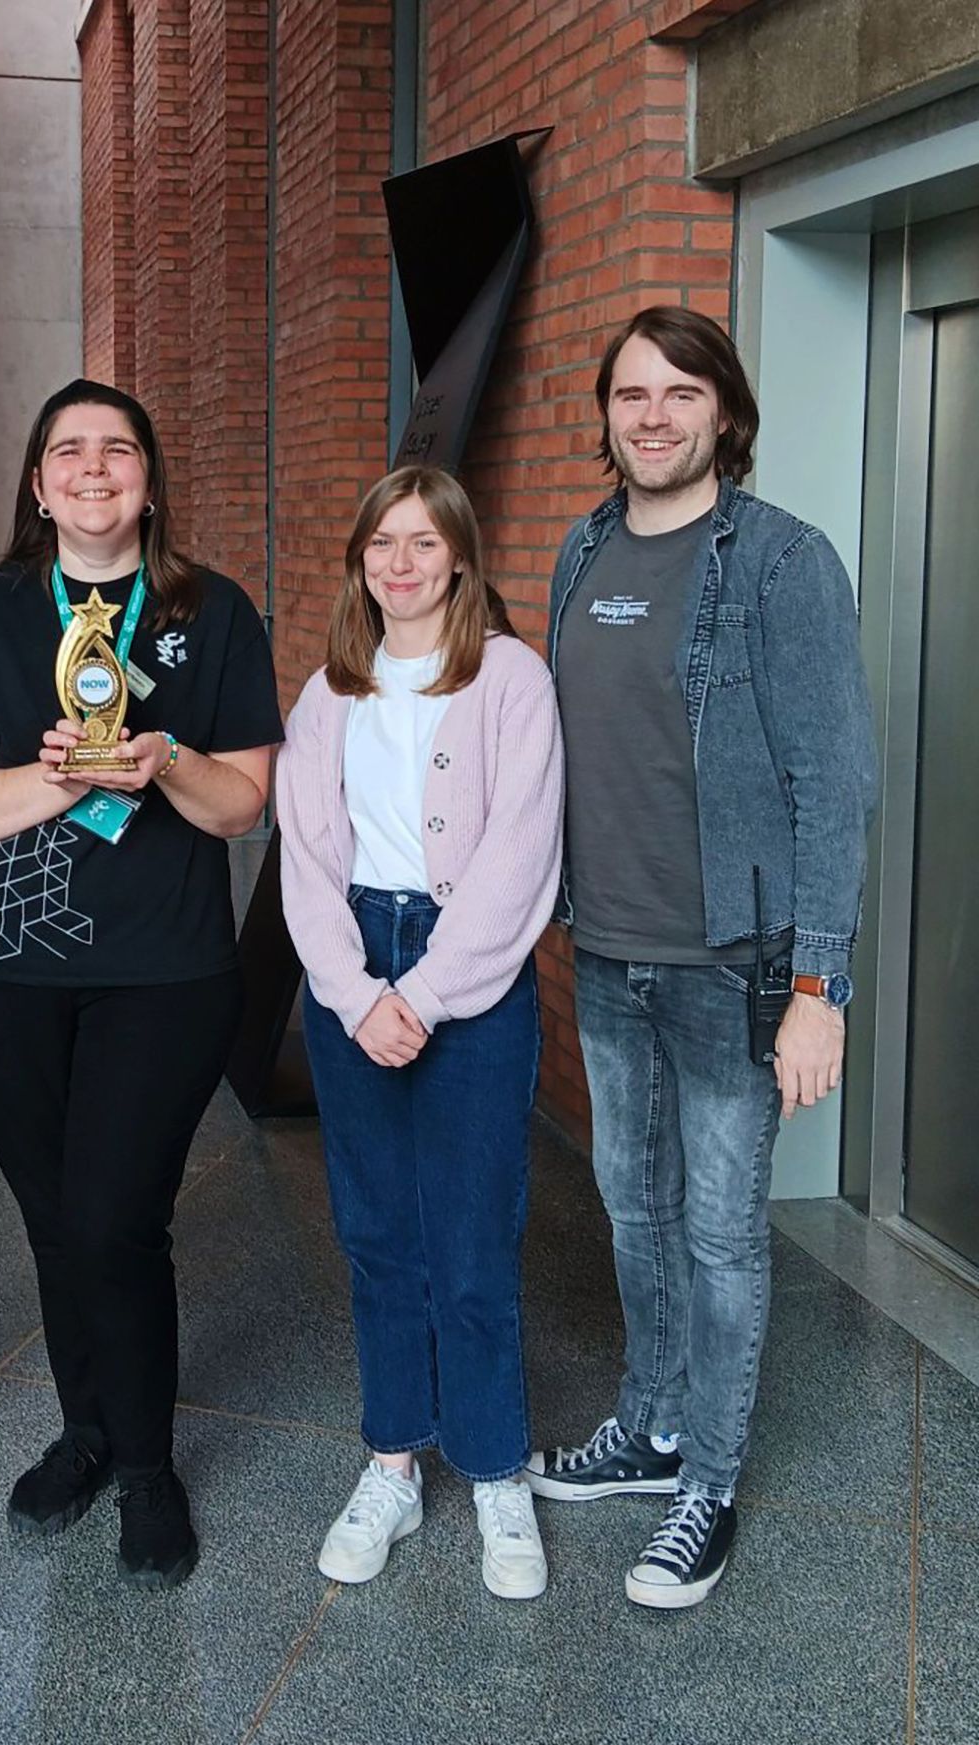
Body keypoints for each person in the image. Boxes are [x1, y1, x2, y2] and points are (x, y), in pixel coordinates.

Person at [524, 306, 877, 1608]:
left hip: (736, 964)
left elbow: (832, 784)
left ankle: (708, 1482)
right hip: (610, 953)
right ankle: (653, 1422)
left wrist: (817, 991)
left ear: (725, 412)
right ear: (605, 414)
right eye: (631, 395)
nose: (654, 417)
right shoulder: (585, 547)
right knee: (633, 1208)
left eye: (681, 394)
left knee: (724, 1233)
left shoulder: (781, 561)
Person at [0, 379, 281, 1590]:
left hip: (165, 971)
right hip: (5, 972)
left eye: (116, 449)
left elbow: (243, 802)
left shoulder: (212, 610)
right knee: (51, 1216)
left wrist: (163, 754)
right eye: (67, 451)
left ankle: (145, 1466)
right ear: (37, 483)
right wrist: (72, 775)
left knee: (114, 1219)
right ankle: (82, 1431)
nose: (91, 468)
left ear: (147, 477)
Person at [277, 465, 563, 1601]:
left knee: (473, 1241)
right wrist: (355, 995)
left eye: (422, 542)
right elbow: (303, 862)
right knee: (378, 1235)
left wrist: (427, 994)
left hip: (469, 975)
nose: (400, 561)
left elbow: (518, 857)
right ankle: (391, 1459)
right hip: (354, 961)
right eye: (380, 543)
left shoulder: (510, 678)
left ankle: (495, 1466)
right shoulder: (326, 693)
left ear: (458, 556)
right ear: (360, 563)